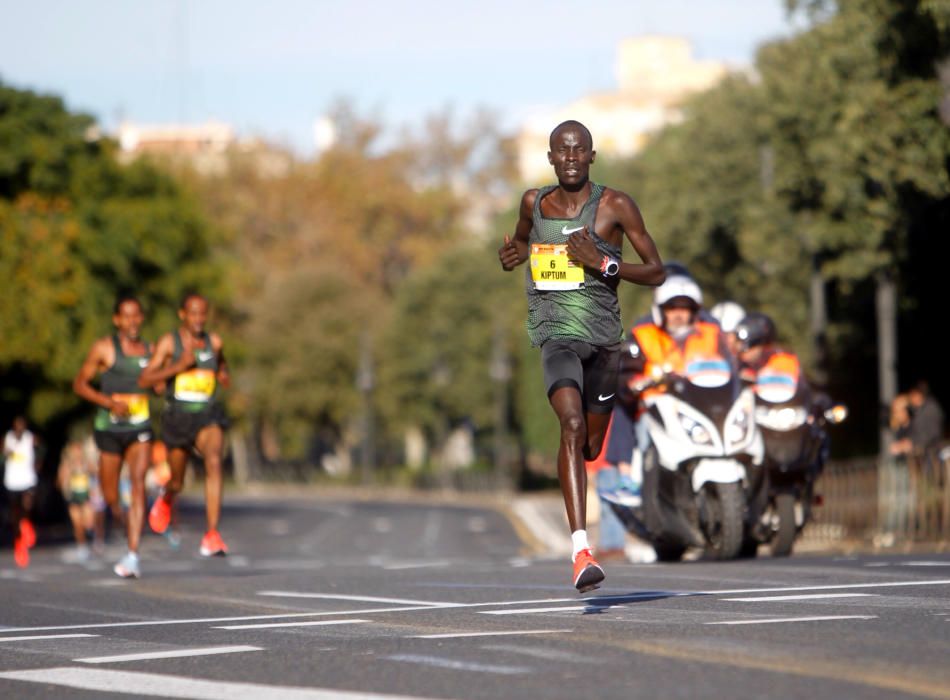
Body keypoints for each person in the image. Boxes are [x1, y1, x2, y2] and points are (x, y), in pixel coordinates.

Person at [498, 120, 664, 592]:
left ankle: (584, 507)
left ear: (592, 156)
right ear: (550, 158)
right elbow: (523, 241)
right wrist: (512, 256)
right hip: (556, 336)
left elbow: (656, 271)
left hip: (605, 342)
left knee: (590, 444)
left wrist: (605, 262)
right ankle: (580, 551)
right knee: (570, 427)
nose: (571, 158)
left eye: (579, 151)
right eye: (561, 151)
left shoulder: (615, 205)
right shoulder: (535, 202)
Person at [139, 293, 231, 557]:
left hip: (207, 413)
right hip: (177, 417)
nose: (199, 319)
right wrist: (178, 366)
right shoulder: (170, 342)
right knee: (176, 481)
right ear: (182, 314)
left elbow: (222, 364)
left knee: (214, 461)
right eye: (193, 313)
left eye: (203, 313)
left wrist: (222, 374)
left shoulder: (214, 342)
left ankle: (211, 534)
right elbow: (146, 379)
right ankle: (167, 498)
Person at [73, 295, 155, 578]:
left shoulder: (151, 349)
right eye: (126, 316)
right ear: (117, 320)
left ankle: (133, 554)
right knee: (110, 495)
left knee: (138, 484)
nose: (132, 321)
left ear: (142, 318)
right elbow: (80, 385)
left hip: (140, 427)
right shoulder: (105, 348)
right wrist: (110, 404)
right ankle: (122, 521)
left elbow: (158, 385)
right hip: (109, 429)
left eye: (137, 315)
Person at [3, 416, 39, 568]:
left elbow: (40, 450)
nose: (20, 427)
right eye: (17, 425)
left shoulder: (30, 437)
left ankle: (26, 525)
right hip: (12, 481)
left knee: (27, 505)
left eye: (22, 425)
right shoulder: (8, 438)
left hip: (28, 479)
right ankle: (19, 542)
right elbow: (4, 453)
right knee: (15, 513)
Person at [57, 440, 98, 562]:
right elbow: (60, 481)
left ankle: (91, 534)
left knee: (88, 522)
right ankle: (82, 546)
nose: (77, 454)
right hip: (73, 497)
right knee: (77, 524)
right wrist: (66, 477)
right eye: (74, 451)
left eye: (79, 451)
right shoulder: (67, 465)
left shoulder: (86, 463)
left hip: (85, 497)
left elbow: (95, 472)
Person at [906, 381, 945, 456]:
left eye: (911, 395)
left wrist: (913, 442)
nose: (910, 398)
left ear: (918, 394)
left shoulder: (931, 409)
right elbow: (914, 431)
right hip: (923, 451)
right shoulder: (917, 410)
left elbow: (934, 433)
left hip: (933, 451)